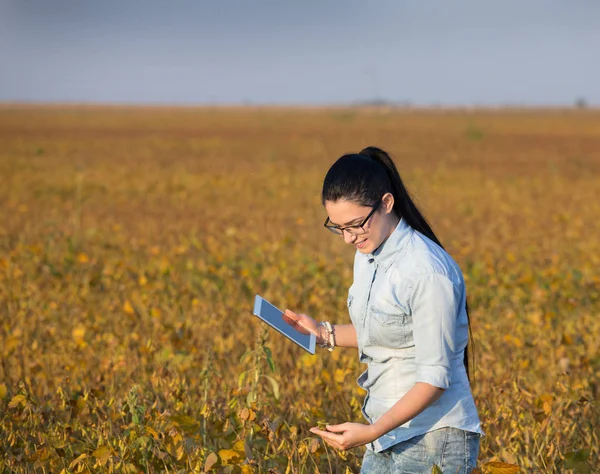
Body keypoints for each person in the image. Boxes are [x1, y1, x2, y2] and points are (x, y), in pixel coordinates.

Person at [283, 147, 483, 473]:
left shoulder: (427, 271)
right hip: (385, 431)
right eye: (337, 227)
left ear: (387, 203)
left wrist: (372, 431)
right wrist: (323, 333)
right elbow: (387, 332)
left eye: (354, 225)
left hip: (434, 436)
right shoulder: (367, 254)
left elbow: (435, 377)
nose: (347, 238)